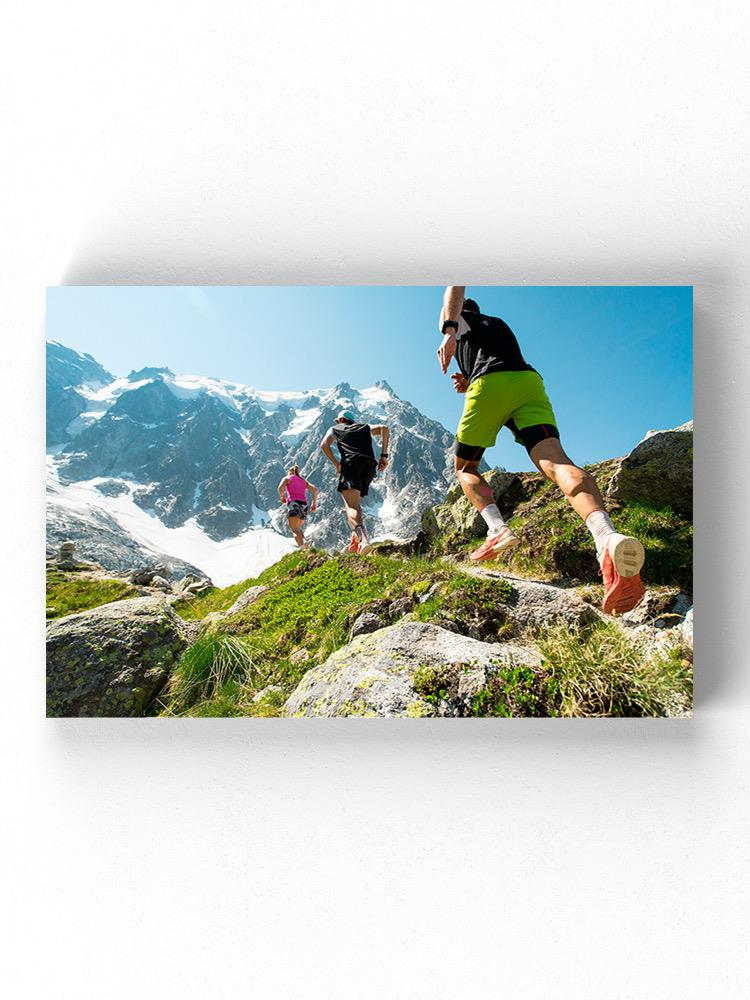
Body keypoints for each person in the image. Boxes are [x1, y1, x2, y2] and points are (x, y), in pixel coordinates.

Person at [436, 285, 645, 615]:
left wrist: (448, 331)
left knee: (465, 469)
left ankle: (497, 529)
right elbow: (491, 360)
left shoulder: (459, 318)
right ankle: (606, 538)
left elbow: (454, 284)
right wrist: (467, 381)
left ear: (461, 311)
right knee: (556, 461)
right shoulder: (497, 324)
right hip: (527, 383)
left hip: (490, 385)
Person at [320, 410, 389, 555]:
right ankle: (354, 541)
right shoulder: (363, 427)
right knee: (356, 504)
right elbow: (384, 428)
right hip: (369, 466)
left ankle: (363, 540)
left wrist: (336, 464)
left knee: (350, 506)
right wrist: (383, 456)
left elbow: (324, 445)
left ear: (340, 420)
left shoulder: (335, 429)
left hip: (351, 465)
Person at [277, 464, 318, 548]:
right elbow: (315, 490)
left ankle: (302, 547)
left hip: (293, 503)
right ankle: (305, 542)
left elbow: (280, 488)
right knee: (298, 527)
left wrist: (282, 497)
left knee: (294, 529)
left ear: (289, 472)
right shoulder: (303, 481)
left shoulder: (287, 478)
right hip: (304, 505)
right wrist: (314, 503)